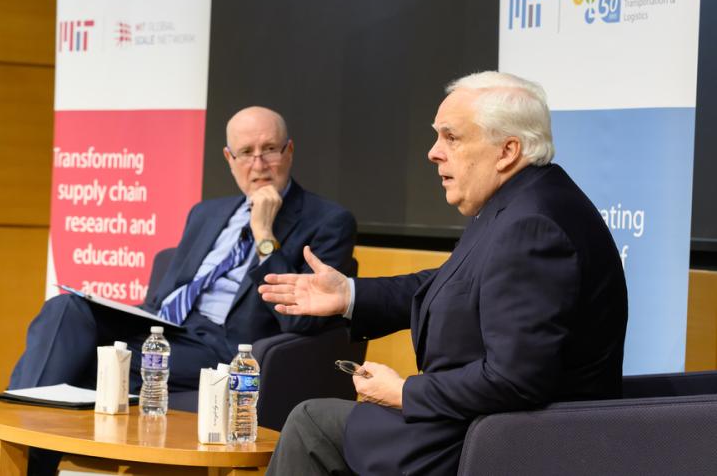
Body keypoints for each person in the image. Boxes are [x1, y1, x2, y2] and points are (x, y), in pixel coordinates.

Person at [259, 72, 628, 475]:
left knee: (311, 424)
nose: (433, 153)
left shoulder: (533, 224)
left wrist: (403, 392)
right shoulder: (522, 201)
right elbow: (450, 284)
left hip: (502, 442)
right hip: (479, 425)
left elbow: (515, 379)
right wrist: (348, 296)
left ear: (507, 151)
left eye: (451, 138)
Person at [10, 105, 356, 393]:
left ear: (289, 151)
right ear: (229, 158)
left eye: (269, 149)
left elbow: (301, 320)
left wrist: (264, 234)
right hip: (168, 330)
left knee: (67, 363)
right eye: (246, 153)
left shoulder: (327, 221)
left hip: (228, 349)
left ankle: (17, 466)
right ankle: (17, 460)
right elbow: (166, 296)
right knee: (65, 309)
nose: (259, 164)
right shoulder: (206, 213)